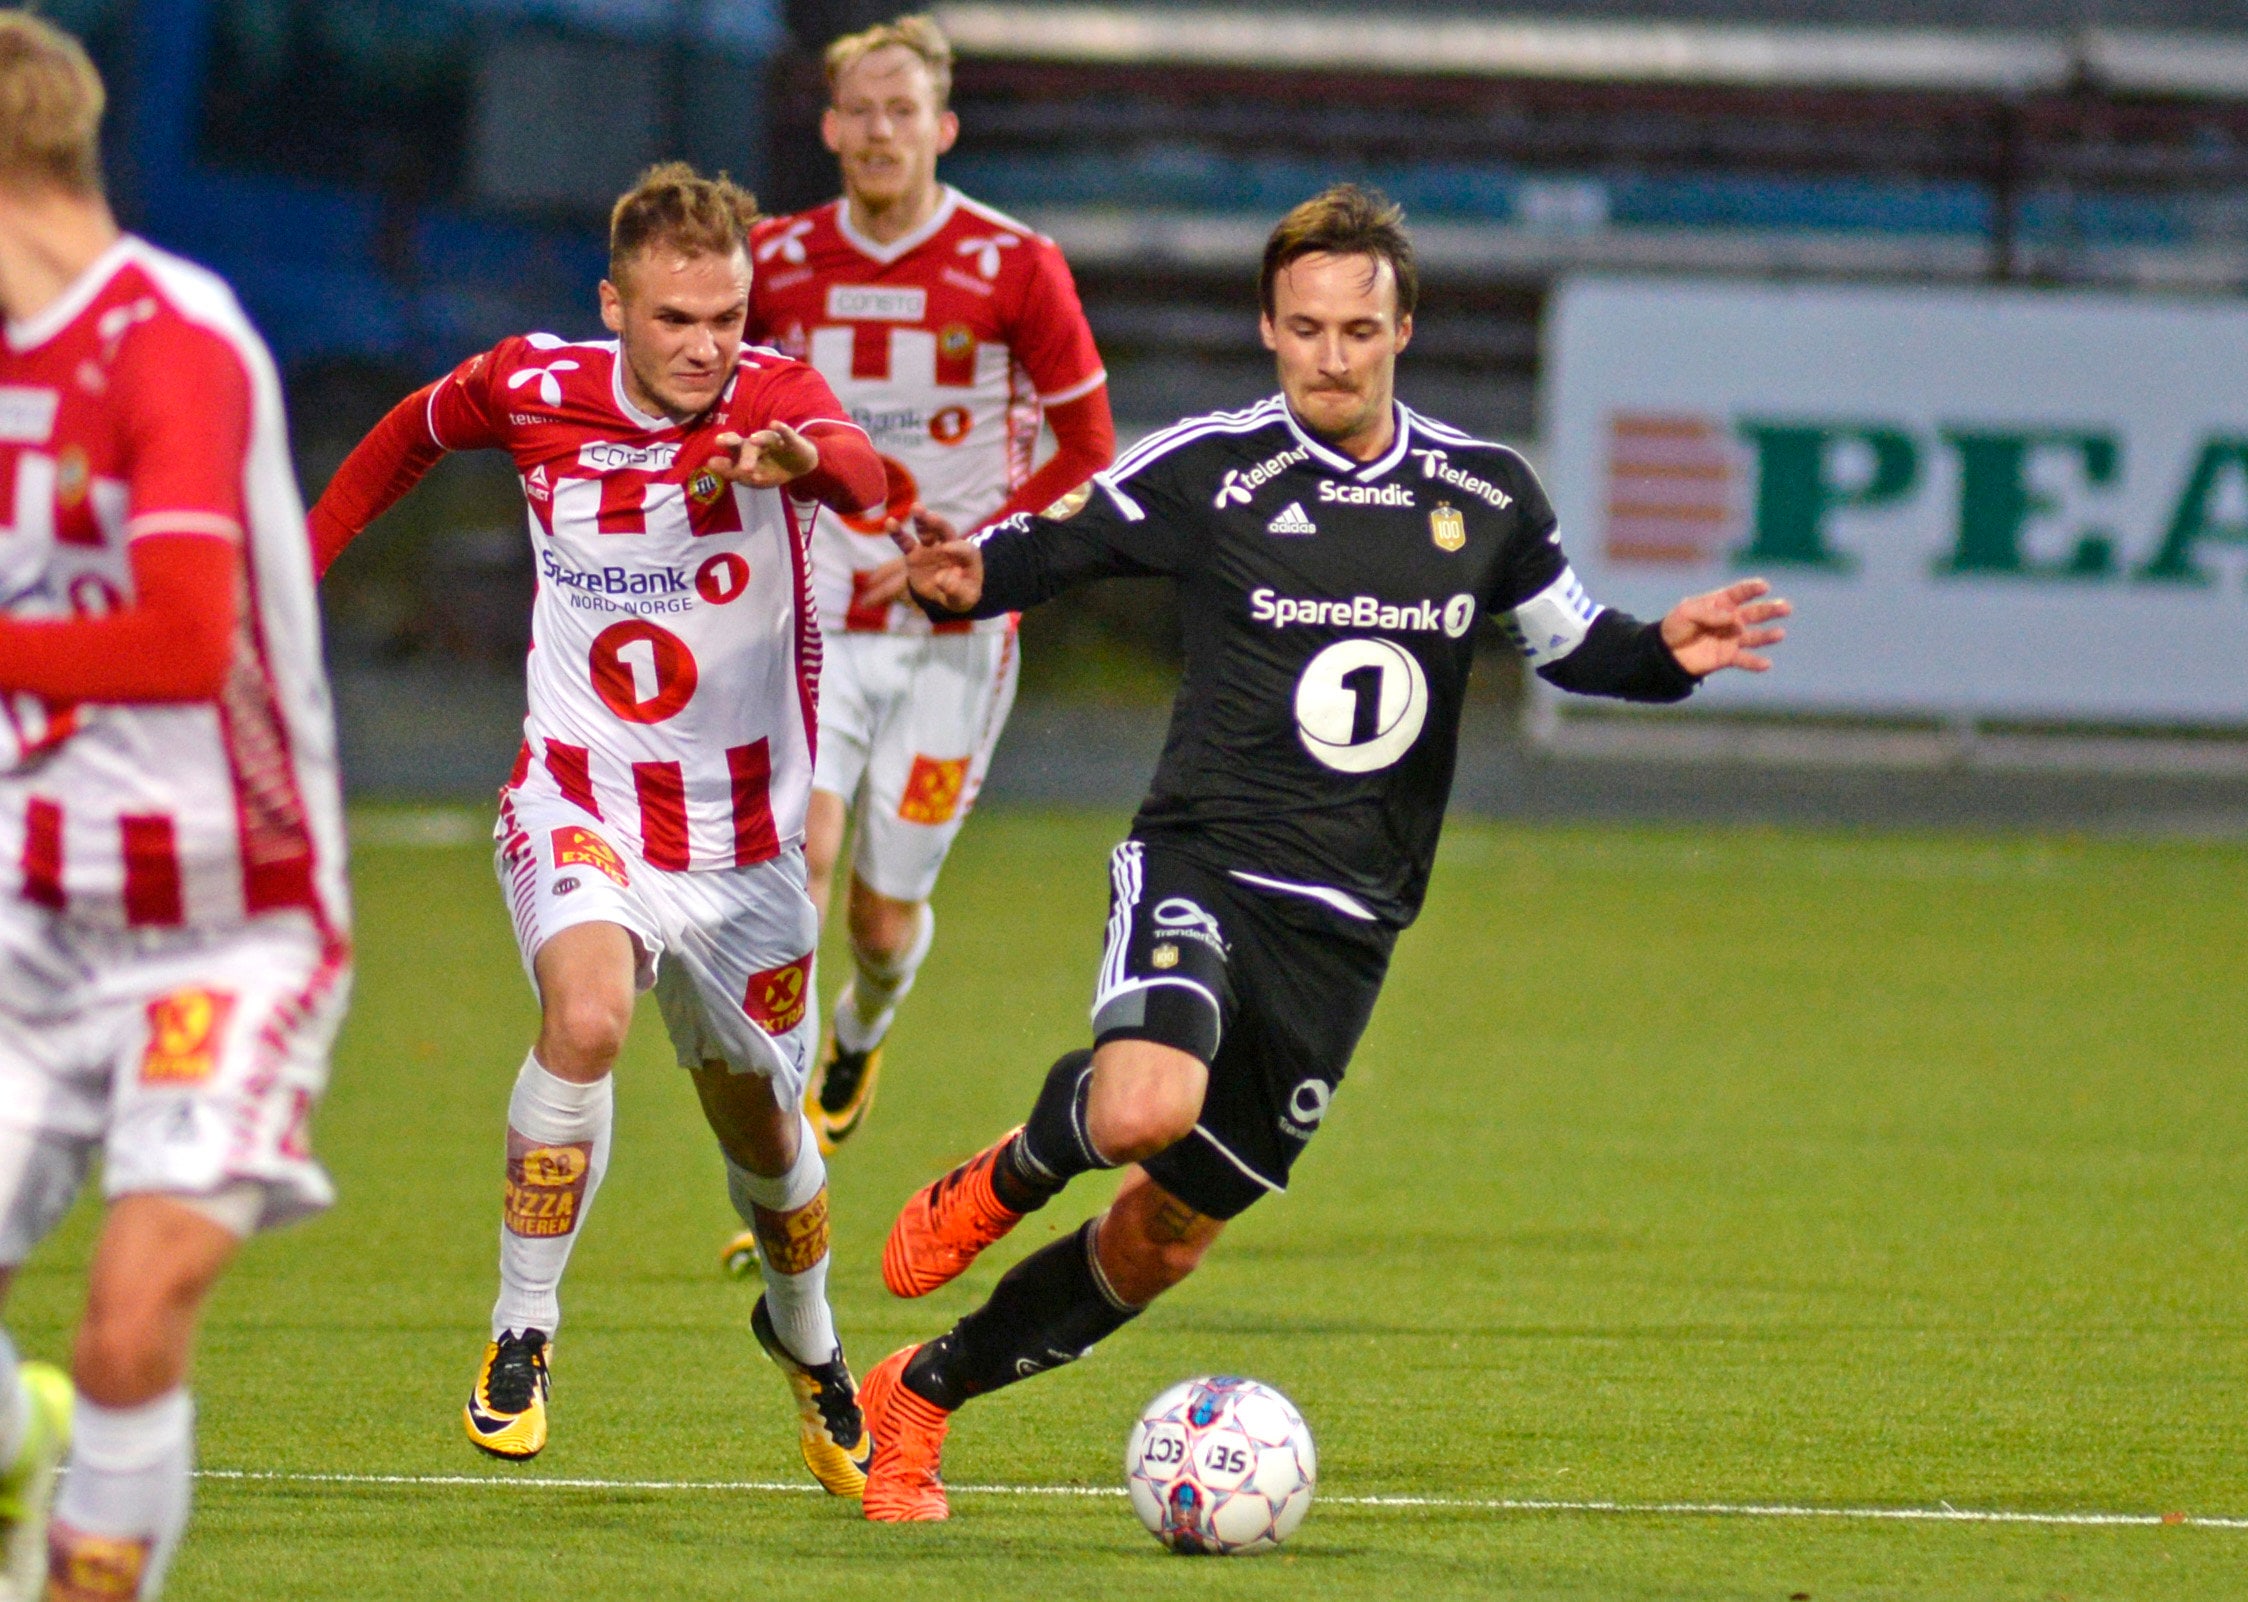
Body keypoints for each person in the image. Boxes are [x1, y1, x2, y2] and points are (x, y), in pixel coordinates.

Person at [853, 185, 1793, 1521]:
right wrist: (971, 580)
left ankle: (923, 1395)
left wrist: (1665, 655)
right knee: (1143, 1108)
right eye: (1305, 329)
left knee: (1167, 1234)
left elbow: (1575, 641)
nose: (1331, 357)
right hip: (1206, 861)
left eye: (1358, 329)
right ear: (1269, 328)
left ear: (1402, 329)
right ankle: (1011, 1172)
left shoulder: (1486, 493)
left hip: (1349, 925)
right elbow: (1060, 544)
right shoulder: (1216, 468)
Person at [308, 165, 887, 1493]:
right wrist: (302, 553)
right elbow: (408, 431)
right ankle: (523, 1330)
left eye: (727, 317)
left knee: (767, 1139)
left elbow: (857, 470)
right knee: (587, 1019)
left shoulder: (776, 400)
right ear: (614, 306)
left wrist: (804, 461)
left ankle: (809, 1344)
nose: (706, 345)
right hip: (583, 796)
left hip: (744, 851)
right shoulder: (532, 386)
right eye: (676, 317)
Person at [0, 14, 354, 1595]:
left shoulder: (170, 338)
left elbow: (178, 638)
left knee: (129, 1322)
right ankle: (21, 1444)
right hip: (29, 906)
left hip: (227, 917)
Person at [740, 12, 1112, 1160]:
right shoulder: (774, 262)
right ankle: (786, 1145)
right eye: (860, 110)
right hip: (813, 622)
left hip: (955, 633)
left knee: (880, 916)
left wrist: (980, 553)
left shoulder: (1016, 264)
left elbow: (1089, 448)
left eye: (902, 110)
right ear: (829, 128)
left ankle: (864, 1027)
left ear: (942, 128)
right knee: (798, 862)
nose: (880, 131)